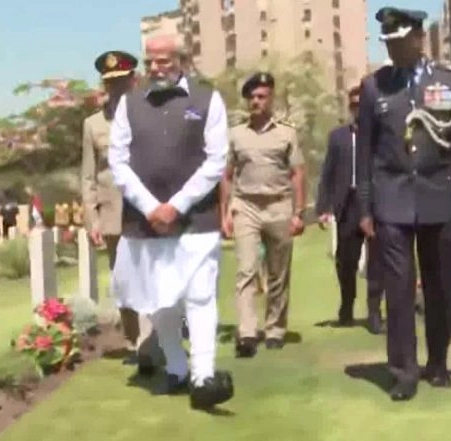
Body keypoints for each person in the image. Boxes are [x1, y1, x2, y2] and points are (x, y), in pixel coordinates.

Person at [356, 7, 451, 401]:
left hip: (439, 197)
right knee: (398, 290)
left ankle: (438, 362)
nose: (393, 50)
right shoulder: (374, 87)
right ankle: (404, 372)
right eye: (388, 44)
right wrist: (364, 209)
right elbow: (364, 155)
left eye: (399, 42)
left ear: (418, 39)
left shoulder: (449, 82)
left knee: (441, 286)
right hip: (391, 201)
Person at [108, 35, 234, 409]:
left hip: (195, 219)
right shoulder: (129, 105)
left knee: (200, 295)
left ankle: (204, 375)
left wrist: (176, 205)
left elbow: (216, 161)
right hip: (146, 222)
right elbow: (118, 162)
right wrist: (151, 207)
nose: (157, 67)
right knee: (159, 300)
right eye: (152, 60)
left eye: (164, 60)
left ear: (181, 59)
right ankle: (177, 369)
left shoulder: (208, 99)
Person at [81, 49, 162, 375]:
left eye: (121, 81)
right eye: (109, 82)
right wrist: (92, 217)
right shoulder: (92, 125)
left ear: (134, 81)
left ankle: (149, 343)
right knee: (125, 282)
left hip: (146, 210)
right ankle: (134, 341)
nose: (115, 88)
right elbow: (88, 175)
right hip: (113, 212)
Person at [221, 72, 306, 358]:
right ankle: (246, 332)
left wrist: (298, 213)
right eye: (252, 97)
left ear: (270, 99)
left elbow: (297, 174)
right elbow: (227, 176)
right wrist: (225, 214)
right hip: (246, 207)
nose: (256, 102)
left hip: (279, 205)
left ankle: (275, 329)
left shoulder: (286, 133)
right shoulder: (236, 134)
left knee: (277, 273)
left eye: (262, 96)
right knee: (246, 270)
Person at [316, 86, 385, 334]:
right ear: (350, 107)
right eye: (354, 104)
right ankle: (347, 305)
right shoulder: (338, 137)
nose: (358, 108)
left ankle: (375, 312)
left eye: (361, 104)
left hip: (375, 204)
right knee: (346, 262)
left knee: (377, 261)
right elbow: (327, 172)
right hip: (348, 205)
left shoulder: (380, 136)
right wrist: (323, 207)